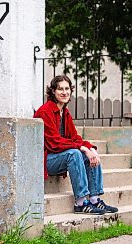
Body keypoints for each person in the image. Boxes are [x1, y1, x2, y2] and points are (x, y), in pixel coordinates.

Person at [34, 75, 118, 215]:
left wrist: (90, 148)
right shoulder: (45, 111)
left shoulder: (64, 112)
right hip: (45, 160)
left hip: (57, 156)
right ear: (53, 91)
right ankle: (80, 202)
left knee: (90, 154)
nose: (64, 92)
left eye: (67, 89)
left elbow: (75, 137)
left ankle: (94, 199)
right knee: (75, 153)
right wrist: (82, 148)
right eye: (60, 89)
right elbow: (54, 143)